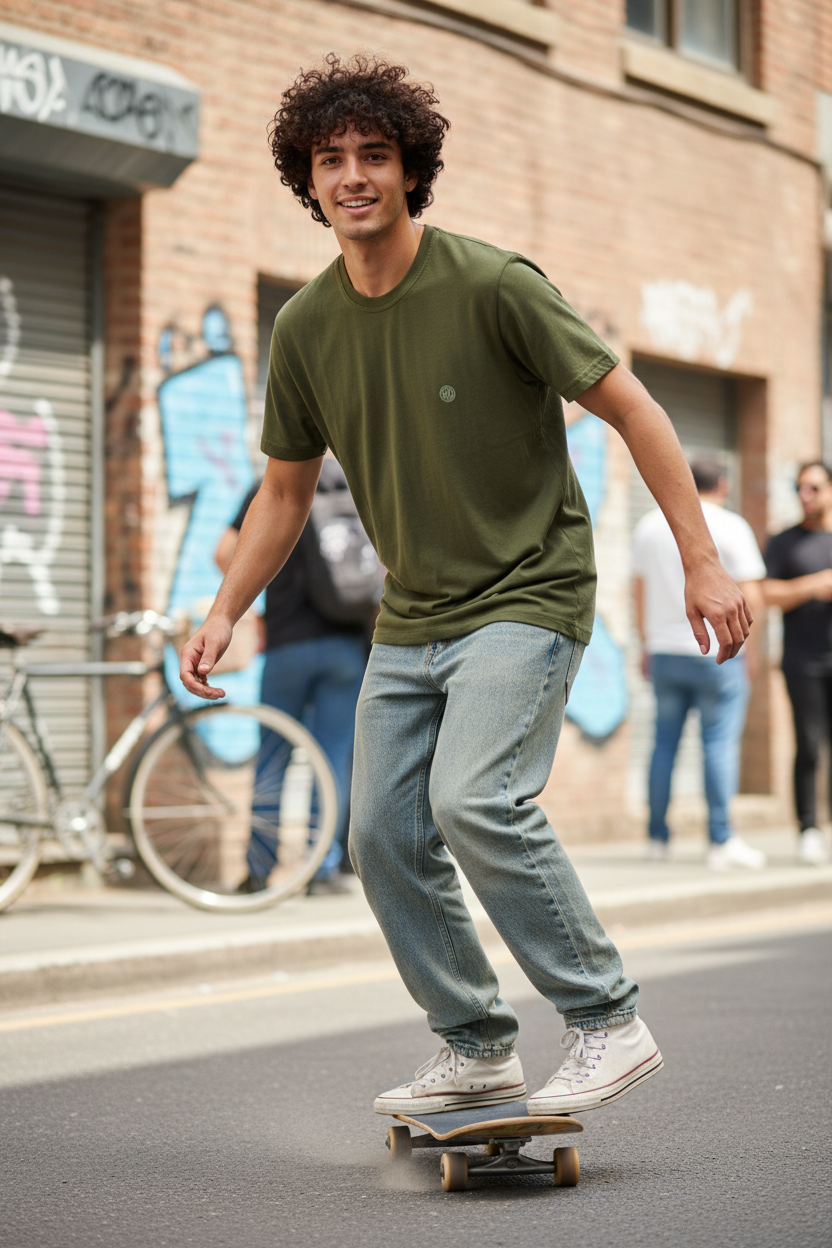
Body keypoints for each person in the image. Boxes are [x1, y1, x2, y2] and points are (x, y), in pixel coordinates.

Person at [180, 54, 751, 1118]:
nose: (352, 176)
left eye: (374, 156)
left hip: (527, 591)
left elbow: (635, 410)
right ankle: (476, 1043)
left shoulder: (494, 284)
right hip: (413, 614)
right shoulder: (305, 328)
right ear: (307, 181)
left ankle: (606, 1020)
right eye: (330, 159)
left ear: (410, 171)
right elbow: (283, 495)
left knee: (473, 797)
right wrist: (224, 609)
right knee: (380, 833)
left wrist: (702, 560)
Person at [216, 461, 369, 894]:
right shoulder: (356, 483)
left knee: (273, 755)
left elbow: (222, 551)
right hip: (345, 645)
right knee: (332, 758)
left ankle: (259, 870)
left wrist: (268, 570)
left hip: (285, 644)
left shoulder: (275, 484)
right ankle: (319, 872)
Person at [633, 459, 766, 870]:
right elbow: (752, 596)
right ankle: (720, 842)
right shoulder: (732, 526)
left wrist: (646, 644)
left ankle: (656, 838)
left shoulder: (649, 525)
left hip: (666, 651)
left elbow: (637, 590)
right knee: (718, 743)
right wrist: (752, 651)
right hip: (719, 653)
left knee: (663, 743)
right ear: (723, 485)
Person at [763, 461, 832, 865]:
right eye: (799, 488)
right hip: (802, 659)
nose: (805, 496)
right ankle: (808, 828)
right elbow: (765, 592)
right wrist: (813, 585)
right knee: (808, 745)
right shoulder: (785, 541)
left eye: (814, 488)